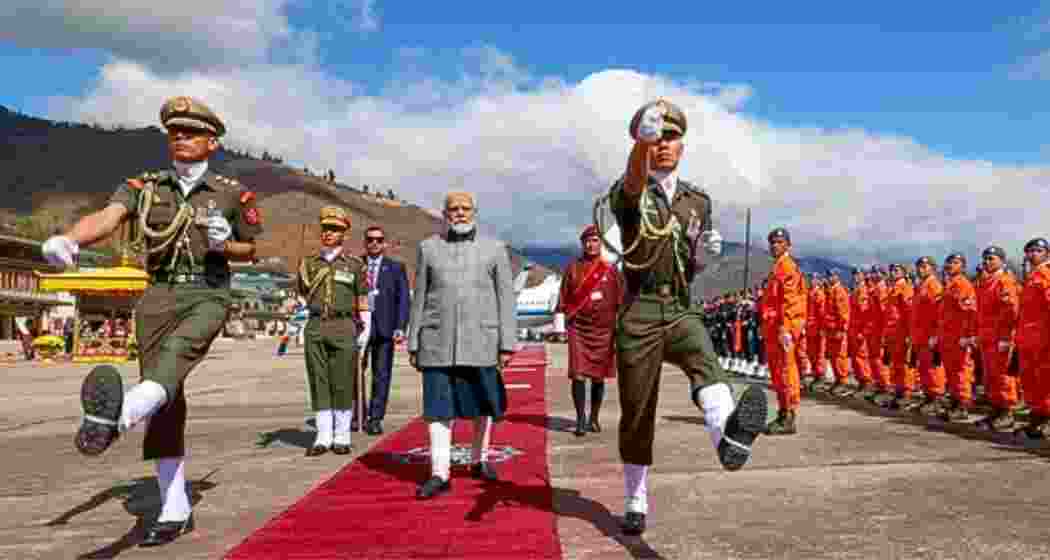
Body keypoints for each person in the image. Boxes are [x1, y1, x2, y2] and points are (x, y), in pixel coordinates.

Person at [42, 96, 262, 547]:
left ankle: (116, 419)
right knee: (164, 398)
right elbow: (109, 217)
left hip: (207, 290)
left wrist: (225, 243)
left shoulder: (229, 192)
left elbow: (250, 250)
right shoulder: (145, 186)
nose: (180, 137)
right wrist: (68, 239)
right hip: (158, 294)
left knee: (175, 359)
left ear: (212, 141)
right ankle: (175, 507)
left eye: (191, 131)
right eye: (174, 131)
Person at [605, 99, 767, 536]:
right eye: (657, 138)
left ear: (682, 144)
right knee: (637, 409)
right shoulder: (629, 189)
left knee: (706, 362)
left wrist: (704, 258)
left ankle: (727, 438)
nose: (663, 145)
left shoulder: (698, 201)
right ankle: (636, 498)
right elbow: (634, 182)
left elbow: (690, 265)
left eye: (670, 137)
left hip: (679, 304)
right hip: (638, 309)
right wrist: (641, 141)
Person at [407, 191, 516, 500]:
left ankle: (479, 461)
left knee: (483, 405)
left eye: (465, 209)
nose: (459, 213)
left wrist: (507, 343)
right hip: (436, 342)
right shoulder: (429, 248)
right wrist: (414, 340)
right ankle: (439, 473)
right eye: (453, 209)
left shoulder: (495, 249)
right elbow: (419, 299)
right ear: (444, 214)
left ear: (475, 212)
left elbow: (506, 299)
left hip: (481, 341)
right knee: (438, 408)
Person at [296, 206, 370, 456]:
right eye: (326, 229)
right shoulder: (308, 264)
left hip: (344, 326)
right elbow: (302, 296)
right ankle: (323, 436)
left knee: (342, 381)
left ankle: (342, 435)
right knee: (318, 380)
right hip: (316, 325)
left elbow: (362, 301)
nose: (329, 233)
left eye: (335, 230)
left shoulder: (355, 265)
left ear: (344, 234)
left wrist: (365, 330)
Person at [556, 224, 624, 436]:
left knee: (598, 376)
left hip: (604, 331)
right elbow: (563, 298)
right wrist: (560, 327)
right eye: (587, 241)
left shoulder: (610, 270)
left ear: (600, 244)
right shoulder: (572, 268)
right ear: (582, 244)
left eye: (595, 240)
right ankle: (580, 419)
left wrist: (621, 327)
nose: (591, 244)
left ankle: (594, 417)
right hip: (579, 329)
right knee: (577, 374)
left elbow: (622, 300)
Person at [360, 225, 411, 435]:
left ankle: (375, 417)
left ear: (385, 243)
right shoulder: (355, 265)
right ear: (365, 242)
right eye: (370, 240)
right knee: (354, 373)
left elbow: (404, 301)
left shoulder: (396, 268)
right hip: (360, 327)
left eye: (378, 240)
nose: (374, 243)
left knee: (381, 374)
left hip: (385, 328)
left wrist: (400, 327)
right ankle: (357, 414)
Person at [762, 228, 806, 435]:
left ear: (788, 244)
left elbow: (790, 301)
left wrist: (785, 329)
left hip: (782, 328)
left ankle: (789, 416)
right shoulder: (778, 266)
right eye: (772, 242)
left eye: (779, 242)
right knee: (778, 372)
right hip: (773, 328)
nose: (775, 245)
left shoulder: (787, 266)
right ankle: (782, 412)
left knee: (786, 371)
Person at [972, 246, 1020, 430]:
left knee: (1002, 377)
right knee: (990, 377)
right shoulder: (987, 282)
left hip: (999, 337)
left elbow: (1011, 311)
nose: (987, 262)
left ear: (1001, 260)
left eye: (991, 258)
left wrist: (1007, 337)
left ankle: (1007, 413)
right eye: (985, 259)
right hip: (987, 336)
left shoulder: (1004, 281)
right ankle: (996, 410)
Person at [934, 253, 978, 421]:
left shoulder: (962, 284)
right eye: (948, 262)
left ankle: (962, 405)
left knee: (961, 371)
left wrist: (968, 336)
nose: (950, 265)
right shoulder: (950, 285)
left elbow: (969, 312)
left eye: (955, 262)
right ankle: (954, 401)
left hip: (959, 336)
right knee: (951, 371)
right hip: (948, 336)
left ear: (963, 267)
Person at [1016, 238, 1050, 438]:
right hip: (1028, 338)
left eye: (1037, 250)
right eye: (1029, 251)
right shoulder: (1032, 276)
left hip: (1043, 338)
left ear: (1046, 253)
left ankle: (1046, 420)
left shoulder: (1046, 275)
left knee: (1045, 380)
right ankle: (1036, 418)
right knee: (1030, 380)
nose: (1032, 254)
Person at [911, 257, 947, 416]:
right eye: (919, 266)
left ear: (932, 268)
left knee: (933, 368)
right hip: (920, 334)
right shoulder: (921, 286)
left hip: (929, 334)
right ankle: (928, 397)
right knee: (924, 368)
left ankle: (936, 399)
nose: (921, 269)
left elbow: (938, 312)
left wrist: (935, 334)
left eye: (925, 266)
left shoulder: (933, 285)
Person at [884, 264, 917, 409]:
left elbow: (909, 312)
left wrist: (910, 333)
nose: (893, 273)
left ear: (904, 273)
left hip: (902, 332)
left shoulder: (905, 288)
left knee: (904, 364)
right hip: (893, 332)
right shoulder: (893, 288)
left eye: (896, 270)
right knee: (895, 364)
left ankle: (907, 394)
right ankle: (898, 391)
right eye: (891, 270)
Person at [822, 269, 851, 395]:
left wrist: (842, 329)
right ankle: (838, 379)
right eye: (828, 276)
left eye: (832, 276)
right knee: (833, 357)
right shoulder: (831, 290)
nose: (829, 278)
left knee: (839, 356)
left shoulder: (839, 291)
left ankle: (843, 381)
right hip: (830, 329)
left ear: (837, 277)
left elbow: (843, 312)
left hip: (837, 329)